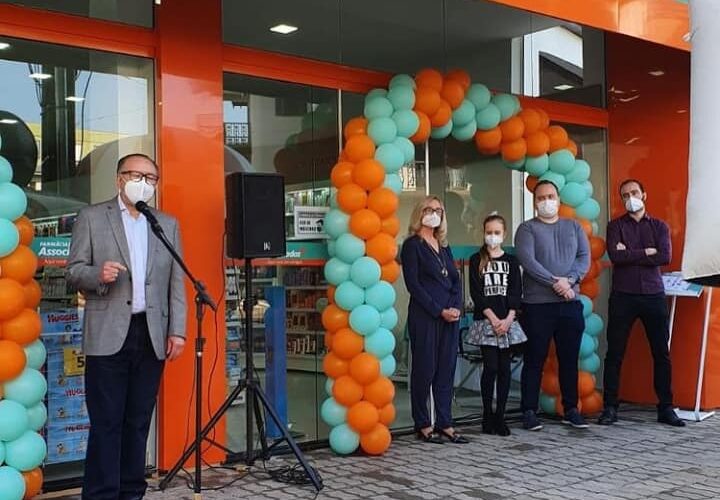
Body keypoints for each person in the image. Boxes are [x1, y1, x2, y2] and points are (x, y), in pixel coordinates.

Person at [66, 153, 188, 500]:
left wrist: (177, 330)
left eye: (152, 178)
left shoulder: (165, 223)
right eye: (137, 175)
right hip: (108, 334)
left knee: (137, 422)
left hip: (151, 335)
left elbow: (175, 283)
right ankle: (102, 494)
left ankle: (132, 491)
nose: (144, 183)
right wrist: (96, 274)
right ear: (120, 179)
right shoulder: (92, 217)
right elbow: (72, 271)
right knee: (107, 424)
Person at [598, 179, 684, 427]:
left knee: (661, 353)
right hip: (623, 296)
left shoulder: (659, 226)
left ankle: (666, 408)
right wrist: (646, 252)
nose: (630, 197)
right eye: (625, 194)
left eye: (634, 192)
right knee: (614, 353)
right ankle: (610, 407)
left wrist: (632, 253)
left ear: (644, 195)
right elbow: (616, 256)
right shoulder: (615, 226)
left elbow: (665, 256)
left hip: (653, 295)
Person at [515, 180, 590, 431]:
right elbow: (528, 260)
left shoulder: (573, 227)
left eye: (551, 196)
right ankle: (528, 410)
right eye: (541, 198)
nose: (546, 201)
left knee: (569, 359)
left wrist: (570, 281)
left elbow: (584, 257)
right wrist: (555, 283)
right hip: (538, 305)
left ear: (558, 199)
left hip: (570, 303)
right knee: (534, 358)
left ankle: (571, 409)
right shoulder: (527, 229)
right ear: (535, 202)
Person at [400, 195, 468, 444]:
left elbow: (455, 280)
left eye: (438, 210)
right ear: (419, 213)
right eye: (429, 209)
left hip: (450, 318)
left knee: (446, 369)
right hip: (425, 316)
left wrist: (455, 307)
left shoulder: (445, 246)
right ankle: (423, 423)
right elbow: (414, 285)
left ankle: (445, 422)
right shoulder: (412, 245)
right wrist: (439, 309)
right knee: (425, 369)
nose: (434, 214)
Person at [468, 213, 526, 436]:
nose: (492, 237)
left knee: (504, 369)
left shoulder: (511, 261)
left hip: (507, 322)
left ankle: (500, 416)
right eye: (488, 232)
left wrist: (509, 318)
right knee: (490, 367)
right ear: (483, 234)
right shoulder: (477, 259)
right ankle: (486, 415)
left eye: (496, 233)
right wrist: (492, 318)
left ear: (504, 235)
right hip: (486, 322)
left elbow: (515, 291)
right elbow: (477, 292)